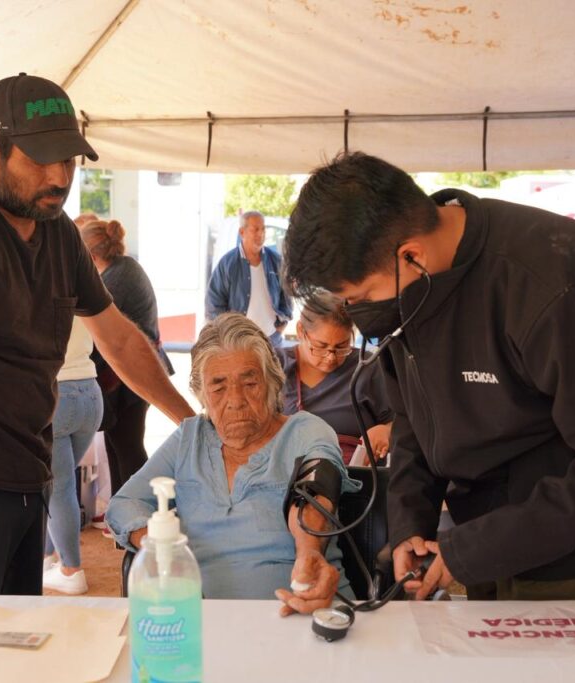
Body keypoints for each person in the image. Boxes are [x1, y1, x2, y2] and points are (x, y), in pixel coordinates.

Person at [282, 152, 575, 601]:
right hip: (474, 543)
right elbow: (412, 417)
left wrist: (476, 548)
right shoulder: (410, 282)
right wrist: (411, 524)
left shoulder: (559, 278)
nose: (357, 314)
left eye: (362, 296)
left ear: (412, 256)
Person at [0, 73, 194, 596]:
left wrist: (193, 427)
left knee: (13, 652)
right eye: (40, 160)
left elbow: (119, 340)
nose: (59, 177)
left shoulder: (58, 233)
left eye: (69, 161)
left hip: (29, 477)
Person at [107, 313, 359, 613]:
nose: (235, 400)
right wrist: (160, 545)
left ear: (272, 383)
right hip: (204, 623)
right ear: (202, 395)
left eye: (249, 382)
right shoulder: (190, 438)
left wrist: (309, 554)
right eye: (219, 387)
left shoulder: (306, 430)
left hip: (301, 612)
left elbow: (316, 491)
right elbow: (124, 503)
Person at [80, 219, 173, 504]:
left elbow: (99, 334)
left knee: (128, 448)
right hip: (132, 373)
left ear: (91, 257)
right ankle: (123, 515)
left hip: (133, 376)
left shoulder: (114, 280)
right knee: (119, 445)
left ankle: (139, 514)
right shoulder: (124, 268)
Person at [279, 291, 393, 462]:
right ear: (301, 331)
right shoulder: (275, 366)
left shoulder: (367, 367)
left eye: (342, 346)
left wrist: (386, 431)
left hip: (355, 475)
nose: (331, 357)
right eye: (321, 346)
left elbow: (403, 421)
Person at [41, 316, 103, 595]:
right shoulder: (77, 275)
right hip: (90, 392)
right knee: (57, 485)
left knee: (58, 488)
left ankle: (71, 570)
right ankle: (47, 557)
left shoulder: (32, 281)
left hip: (55, 390)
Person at [206, 211, 293, 346]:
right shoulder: (228, 263)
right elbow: (214, 303)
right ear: (242, 232)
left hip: (272, 340)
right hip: (239, 343)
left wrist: (281, 326)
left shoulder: (275, 260)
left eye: (263, 229)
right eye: (255, 229)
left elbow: (286, 295)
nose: (261, 234)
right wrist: (229, 333)